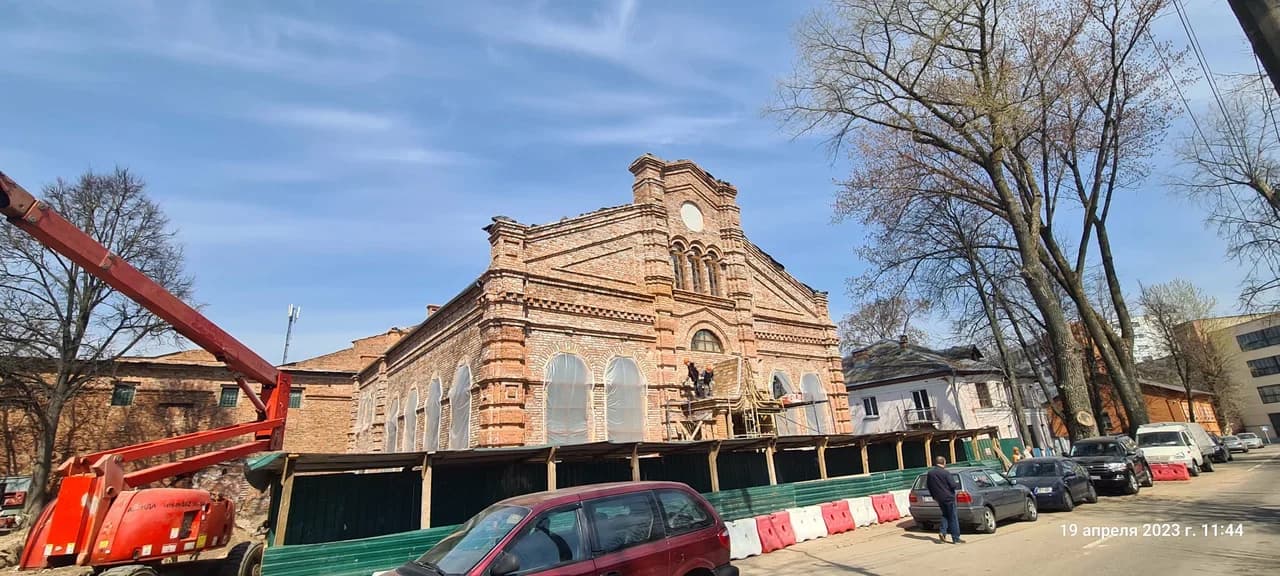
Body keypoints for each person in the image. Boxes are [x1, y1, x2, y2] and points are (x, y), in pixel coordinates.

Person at [925, 456, 964, 544]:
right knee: (953, 517)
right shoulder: (946, 473)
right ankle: (956, 538)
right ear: (944, 462)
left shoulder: (930, 473)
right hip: (949, 497)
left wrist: (934, 496)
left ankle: (942, 532)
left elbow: (929, 486)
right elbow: (953, 485)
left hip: (939, 498)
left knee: (945, 515)